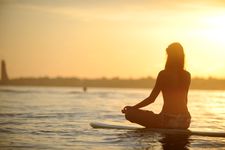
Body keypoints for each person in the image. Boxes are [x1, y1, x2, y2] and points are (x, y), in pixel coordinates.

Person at [122, 42, 191, 129]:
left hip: (167, 121)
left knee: (130, 114)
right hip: (185, 121)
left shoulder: (163, 74)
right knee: (154, 117)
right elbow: (185, 100)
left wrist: (132, 108)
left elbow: (151, 99)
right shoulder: (187, 75)